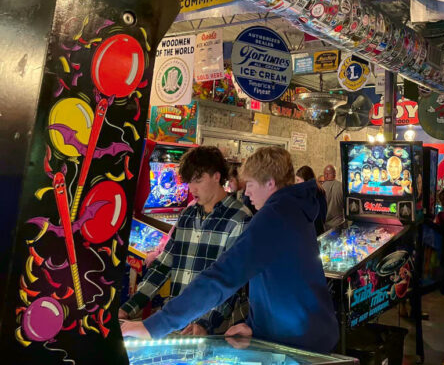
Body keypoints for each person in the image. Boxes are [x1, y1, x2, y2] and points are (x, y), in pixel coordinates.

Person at [122, 147, 339, 353]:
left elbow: (224, 276)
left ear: (270, 184)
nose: (247, 192)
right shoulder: (291, 210)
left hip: (299, 344)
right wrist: (253, 327)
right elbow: (278, 284)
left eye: (251, 184)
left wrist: (155, 326)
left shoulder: (276, 216)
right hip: (299, 335)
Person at [119, 146, 252, 335]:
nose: (192, 189)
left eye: (198, 180)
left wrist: (206, 324)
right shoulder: (187, 215)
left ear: (216, 176)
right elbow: (164, 264)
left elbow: (232, 284)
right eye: (189, 181)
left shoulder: (239, 218)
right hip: (178, 323)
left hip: (218, 331)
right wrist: (131, 306)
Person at [296, 165, 328, 237]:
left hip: (311, 233)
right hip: (319, 231)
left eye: (298, 180)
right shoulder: (320, 190)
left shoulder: (309, 193)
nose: (296, 183)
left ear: (305, 179)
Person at [322, 164, 345, 230]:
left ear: (326, 175)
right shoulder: (341, 186)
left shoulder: (320, 188)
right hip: (339, 225)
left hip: (325, 227)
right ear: (334, 174)